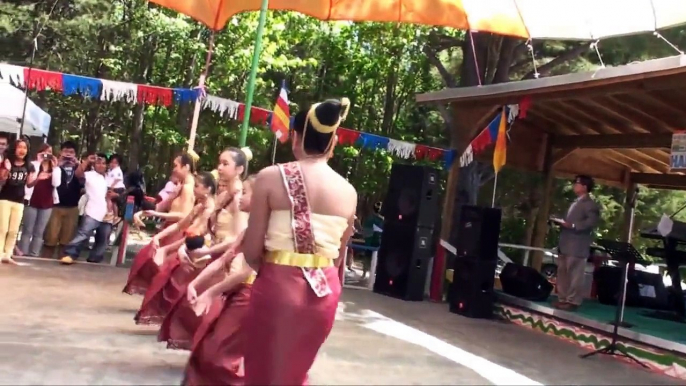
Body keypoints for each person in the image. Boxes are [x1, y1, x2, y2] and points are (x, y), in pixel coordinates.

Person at [241, 98, 357, 385]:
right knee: (294, 374)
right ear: (333, 142)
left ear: (295, 136)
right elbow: (339, 258)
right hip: (323, 293)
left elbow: (251, 251)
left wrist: (276, 274)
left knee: (264, 373)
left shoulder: (270, 177)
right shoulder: (348, 192)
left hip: (278, 286)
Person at [158, 149, 251, 350]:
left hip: (229, 264)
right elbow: (209, 231)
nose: (219, 167)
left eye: (225, 164)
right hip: (215, 256)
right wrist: (191, 248)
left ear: (240, 169)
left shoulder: (239, 198)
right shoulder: (224, 195)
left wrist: (205, 252)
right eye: (220, 163)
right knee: (191, 307)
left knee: (213, 317)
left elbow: (238, 240)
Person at [183, 175, 257, 385]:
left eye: (245, 192)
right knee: (208, 351)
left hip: (249, 296)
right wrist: (194, 284)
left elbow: (244, 272)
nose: (240, 196)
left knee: (218, 355)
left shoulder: (264, 232)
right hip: (237, 292)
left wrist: (210, 292)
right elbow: (224, 258)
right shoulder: (248, 231)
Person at [134, 171, 217, 325]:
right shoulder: (200, 206)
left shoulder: (210, 210)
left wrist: (171, 249)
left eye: (197, 186)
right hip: (189, 248)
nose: (194, 189)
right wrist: (156, 221)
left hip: (200, 253)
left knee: (175, 283)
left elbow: (194, 234)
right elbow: (181, 224)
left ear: (208, 189)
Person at [123, 153, 196, 295]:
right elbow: (159, 207)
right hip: (169, 229)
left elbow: (184, 216)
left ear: (186, 167)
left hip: (177, 232)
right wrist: (143, 212)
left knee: (166, 271)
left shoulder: (188, 188)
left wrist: (157, 214)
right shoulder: (179, 186)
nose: (173, 169)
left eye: (176, 165)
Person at [553, 175, 601, 311]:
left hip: (578, 245)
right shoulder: (574, 202)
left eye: (577, 183)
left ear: (585, 187)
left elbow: (591, 222)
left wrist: (573, 225)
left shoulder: (590, 204)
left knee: (575, 274)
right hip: (565, 243)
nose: (575, 185)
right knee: (562, 272)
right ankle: (562, 298)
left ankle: (573, 301)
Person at [59, 154, 111, 265]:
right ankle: (70, 254)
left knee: (103, 238)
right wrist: (87, 161)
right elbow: (77, 174)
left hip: (107, 211)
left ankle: (95, 259)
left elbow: (112, 194)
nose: (101, 165)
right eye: (98, 163)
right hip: (93, 211)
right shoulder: (89, 175)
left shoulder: (108, 177)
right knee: (83, 234)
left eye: (103, 163)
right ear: (94, 165)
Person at [18, 144, 61, 257]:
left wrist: (55, 167)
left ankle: (34, 254)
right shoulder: (33, 165)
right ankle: (23, 253)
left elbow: (56, 184)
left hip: (47, 203)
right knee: (27, 230)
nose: (47, 154)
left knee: (39, 231)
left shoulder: (55, 169)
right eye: (45, 152)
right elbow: (29, 183)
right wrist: (39, 161)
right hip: (32, 201)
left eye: (50, 152)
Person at [0, 138, 37, 263]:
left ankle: (8, 254)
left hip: (19, 200)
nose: (22, 150)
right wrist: (8, 169)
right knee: (3, 228)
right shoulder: (7, 161)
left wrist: (39, 178)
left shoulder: (29, 166)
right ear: (14, 149)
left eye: (25, 148)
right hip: (5, 198)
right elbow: (2, 179)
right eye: (19, 147)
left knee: (14, 230)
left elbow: (29, 184)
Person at [43, 141, 82, 258]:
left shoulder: (79, 167)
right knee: (50, 237)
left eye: (71, 152)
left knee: (67, 239)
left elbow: (83, 179)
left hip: (72, 207)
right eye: (66, 151)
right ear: (60, 152)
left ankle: (61, 262)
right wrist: (58, 164)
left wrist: (78, 164)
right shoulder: (53, 164)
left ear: (75, 154)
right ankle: (45, 262)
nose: (68, 154)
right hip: (55, 206)